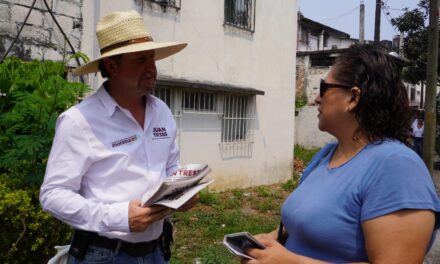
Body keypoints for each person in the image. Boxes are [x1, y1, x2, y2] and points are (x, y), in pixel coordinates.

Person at [242, 45, 440, 263]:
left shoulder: (397, 167)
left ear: (353, 98)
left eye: (324, 88)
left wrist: (292, 262)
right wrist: (271, 241)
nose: (317, 98)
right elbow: (310, 222)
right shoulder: (326, 155)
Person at [40, 10, 197, 264]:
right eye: (141, 59)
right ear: (112, 66)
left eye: (153, 58)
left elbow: (170, 167)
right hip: (103, 254)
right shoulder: (79, 121)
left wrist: (183, 191)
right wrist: (119, 218)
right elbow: (53, 194)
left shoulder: (162, 112)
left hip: (157, 251)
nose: (152, 68)